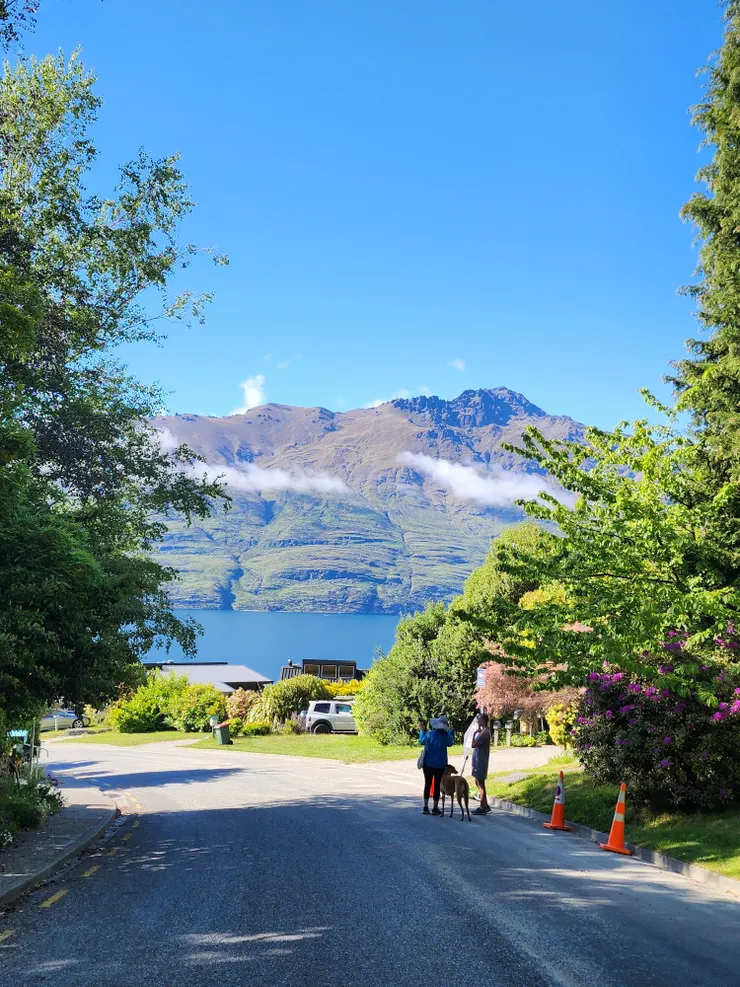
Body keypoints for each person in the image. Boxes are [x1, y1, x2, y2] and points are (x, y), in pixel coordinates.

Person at [418, 715, 454, 815]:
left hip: (428, 763)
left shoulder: (430, 733)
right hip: (440, 764)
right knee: (437, 785)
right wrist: (451, 732)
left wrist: (422, 731)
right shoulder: (446, 736)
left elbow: (422, 741)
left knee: (428, 784)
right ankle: (435, 808)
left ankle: (425, 807)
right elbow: (450, 743)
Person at [471, 712, 491, 815]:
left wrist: (475, 734)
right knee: (477, 781)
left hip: (481, 761)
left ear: (483, 720)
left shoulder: (484, 733)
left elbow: (473, 745)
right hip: (479, 759)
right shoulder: (484, 731)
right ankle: (485, 804)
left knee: (480, 782)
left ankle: (482, 806)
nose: (478, 721)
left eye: (479, 719)